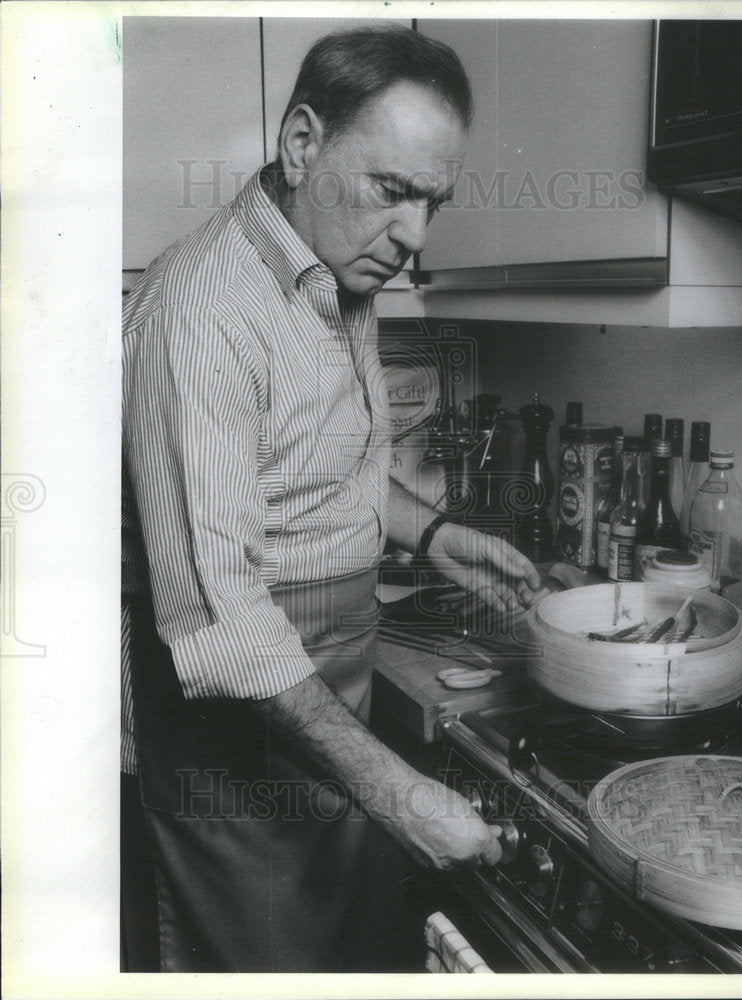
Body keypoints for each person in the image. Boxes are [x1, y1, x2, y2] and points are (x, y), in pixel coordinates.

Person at [121, 24, 540, 973]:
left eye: (432, 203)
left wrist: (431, 532)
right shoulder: (204, 314)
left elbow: (310, 466)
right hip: (234, 734)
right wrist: (396, 792)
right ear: (303, 142)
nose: (415, 237)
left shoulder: (335, 268)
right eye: (393, 191)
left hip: (321, 709)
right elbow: (226, 625)